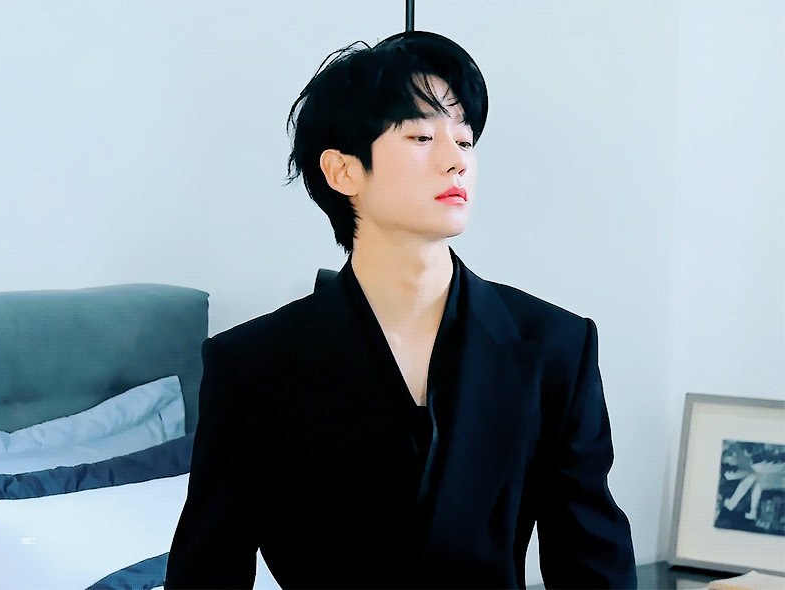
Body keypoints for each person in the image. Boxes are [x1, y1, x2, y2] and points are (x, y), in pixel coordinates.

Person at [166, 31, 636, 589]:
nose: (455, 162)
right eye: (421, 136)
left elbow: (594, 568)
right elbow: (208, 571)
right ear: (343, 171)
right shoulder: (251, 365)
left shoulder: (555, 347)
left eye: (464, 141)